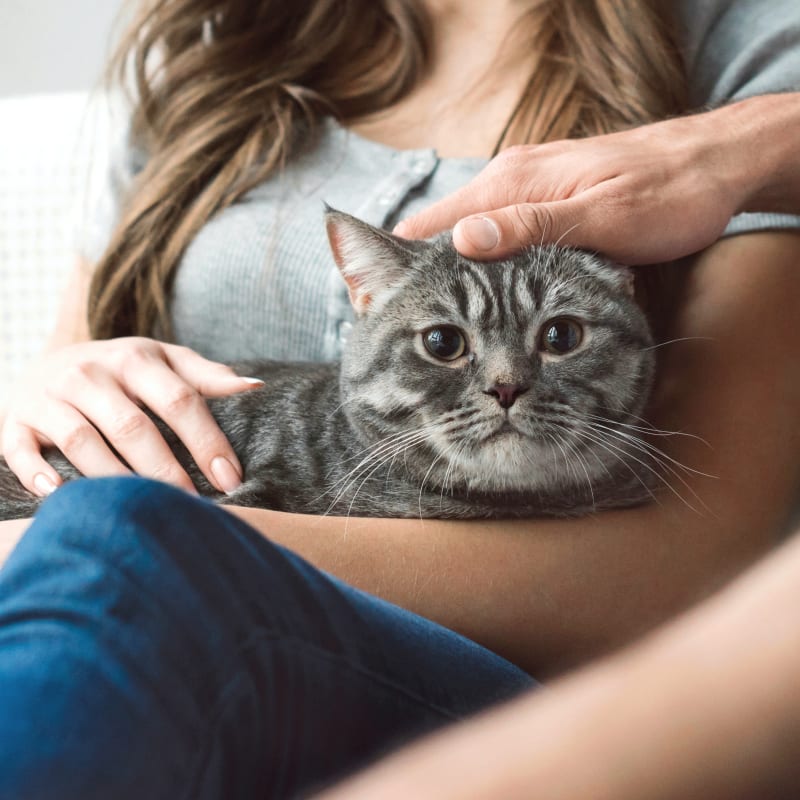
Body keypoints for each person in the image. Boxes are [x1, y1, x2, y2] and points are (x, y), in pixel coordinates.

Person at [0, 0, 798, 797]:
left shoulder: (737, 41)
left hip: (492, 689)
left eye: (554, 339)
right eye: (447, 345)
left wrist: (158, 545)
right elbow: (66, 370)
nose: (506, 383)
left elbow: (702, 561)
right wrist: (46, 395)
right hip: (98, 598)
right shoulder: (216, 45)